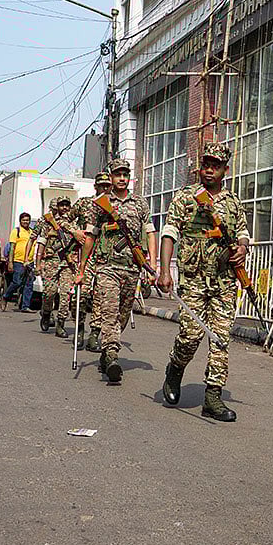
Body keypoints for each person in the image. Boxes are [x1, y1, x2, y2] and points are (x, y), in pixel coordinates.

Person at [156, 142, 248, 422]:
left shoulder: (232, 203)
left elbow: (243, 232)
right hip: (193, 279)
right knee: (191, 336)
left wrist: (242, 248)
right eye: (206, 164)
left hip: (224, 282)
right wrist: (164, 270)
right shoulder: (185, 198)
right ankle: (175, 368)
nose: (209, 169)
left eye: (216, 165)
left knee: (220, 339)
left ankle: (213, 397)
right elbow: (169, 233)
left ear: (225, 170)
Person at [76, 158, 157, 383]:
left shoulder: (140, 203)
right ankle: (112, 355)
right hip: (106, 267)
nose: (122, 178)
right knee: (109, 311)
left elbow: (150, 232)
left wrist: (153, 262)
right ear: (110, 177)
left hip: (132, 267)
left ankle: (106, 350)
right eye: (117, 174)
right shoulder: (100, 203)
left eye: (125, 174)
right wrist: (82, 268)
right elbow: (90, 236)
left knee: (122, 315)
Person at [70, 171, 112, 350]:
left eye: (107, 185)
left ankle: (95, 333)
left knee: (101, 299)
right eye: (101, 185)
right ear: (95, 186)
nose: (104, 188)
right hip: (85, 255)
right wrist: (74, 231)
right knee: (81, 296)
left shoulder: (115, 205)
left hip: (106, 257)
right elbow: (63, 219)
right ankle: (79, 328)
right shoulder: (84, 203)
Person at [34, 197, 85, 337]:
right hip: (51, 262)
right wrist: (38, 264)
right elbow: (41, 244)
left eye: (67, 205)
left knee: (65, 295)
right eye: (61, 205)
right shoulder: (49, 223)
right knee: (49, 293)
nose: (64, 208)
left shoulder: (76, 225)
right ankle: (46, 313)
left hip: (68, 264)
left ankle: (60, 323)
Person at [2, 212, 35, 313]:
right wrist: (10, 262)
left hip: (29, 261)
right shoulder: (16, 231)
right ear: (20, 221)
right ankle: (6, 296)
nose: (26, 222)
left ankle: (25, 306)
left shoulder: (32, 232)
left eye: (27, 220)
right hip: (18, 261)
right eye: (24, 220)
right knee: (17, 282)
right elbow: (12, 247)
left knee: (29, 284)